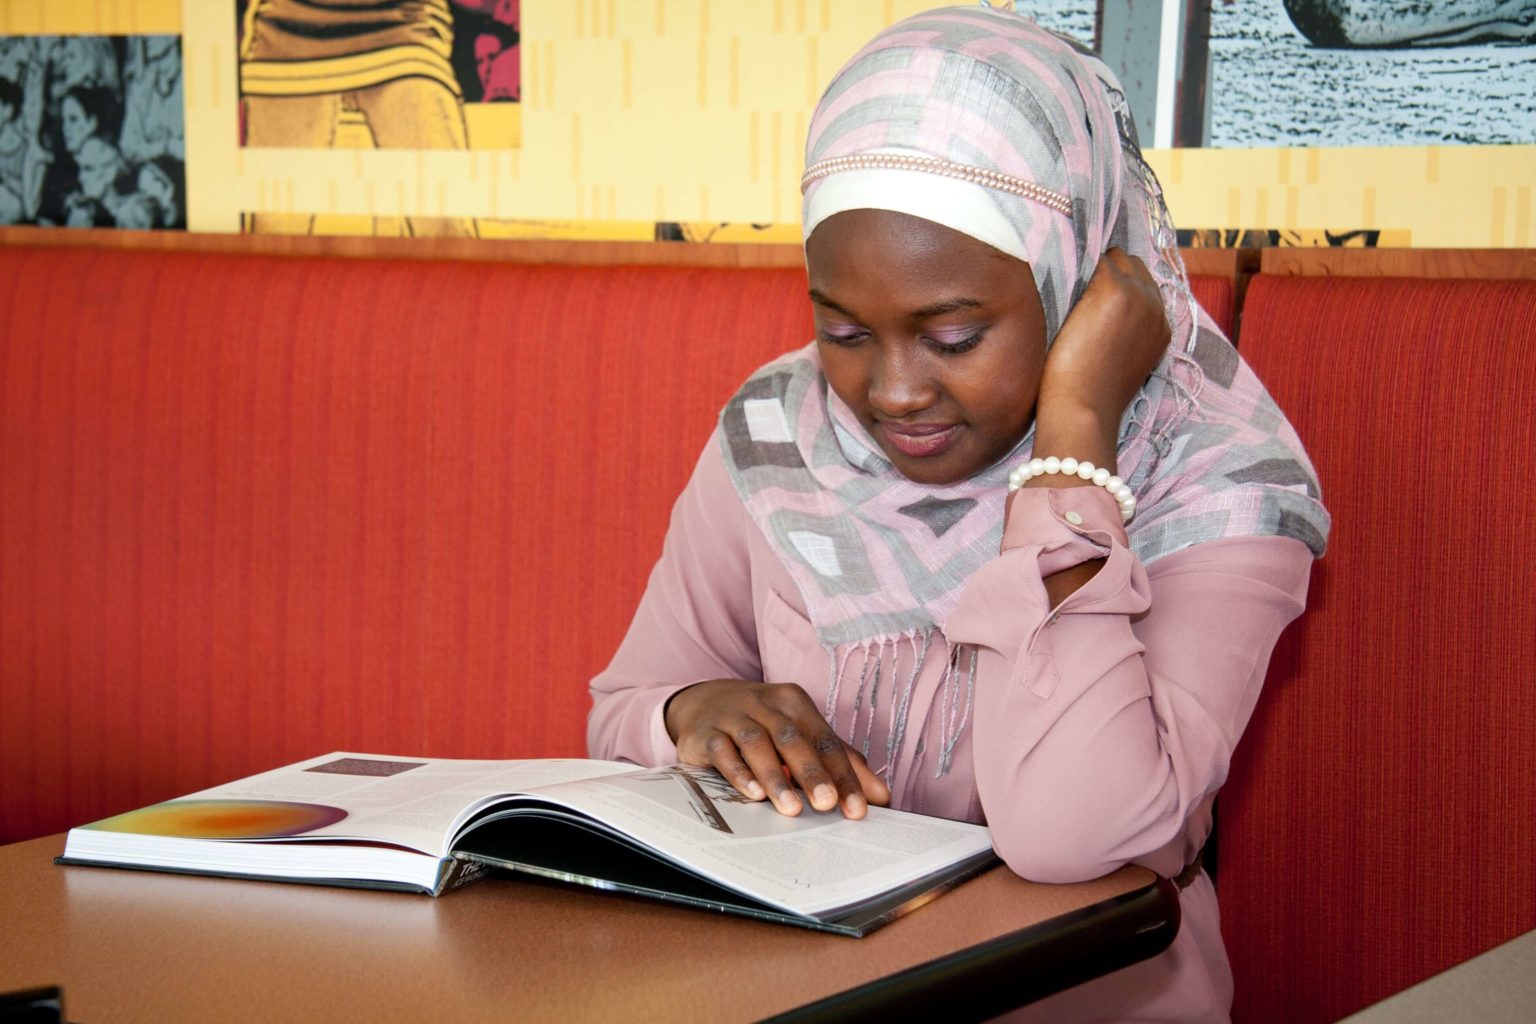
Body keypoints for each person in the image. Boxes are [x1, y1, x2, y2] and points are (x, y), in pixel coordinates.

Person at [588, 5, 1329, 1021]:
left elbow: (1082, 834)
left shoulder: (1216, 485)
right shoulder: (778, 439)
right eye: (843, 328)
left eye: (954, 333)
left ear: (1074, 280)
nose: (892, 391)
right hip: (808, 999)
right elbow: (621, 706)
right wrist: (692, 713)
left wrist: (1074, 442)